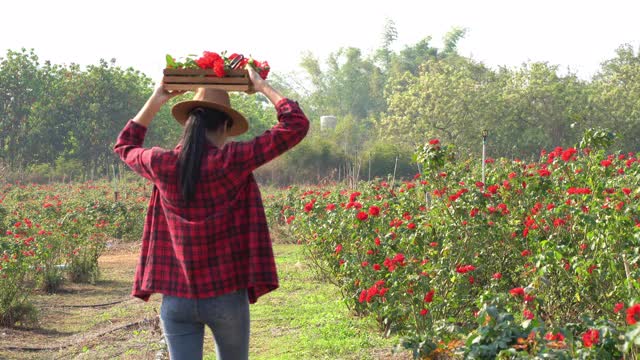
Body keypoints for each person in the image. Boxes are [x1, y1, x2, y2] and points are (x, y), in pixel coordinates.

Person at [113, 67, 309, 360]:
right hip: (226, 295)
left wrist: (157, 98)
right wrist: (263, 87)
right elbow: (295, 125)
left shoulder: (160, 163)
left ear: (188, 124)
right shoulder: (232, 161)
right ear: (226, 127)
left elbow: (125, 145)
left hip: (176, 298)